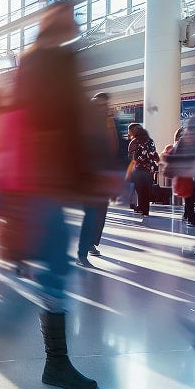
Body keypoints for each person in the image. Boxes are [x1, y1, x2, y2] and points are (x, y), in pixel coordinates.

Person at [8, 0, 104, 389]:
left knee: (54, 267)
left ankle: (55, 360)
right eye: (71, 15)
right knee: (54, 269)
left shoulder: (41, 60)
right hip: (42, 181)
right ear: (57, 21)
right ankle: (56, 363)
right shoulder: (50, 61)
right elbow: (58, 121)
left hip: (42, 181)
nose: (77, 22)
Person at [76, 92, 121, 267]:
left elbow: (117, 150)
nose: (102, 109)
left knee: (101, 213)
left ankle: (91, 243)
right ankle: (82, 252)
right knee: (91, 213)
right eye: (98, 105)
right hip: (89, 177)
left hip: (105, 176)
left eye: (105, 106)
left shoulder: (112, 124)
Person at [126, 123, 159, 217]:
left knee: (140, 190)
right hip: (148, 170)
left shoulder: (134, 142)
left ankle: (140, 208)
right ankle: (145, 211)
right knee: (146, 191)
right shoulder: (150, 141)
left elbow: (131, 157)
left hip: (138, 170)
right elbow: (154, 154)